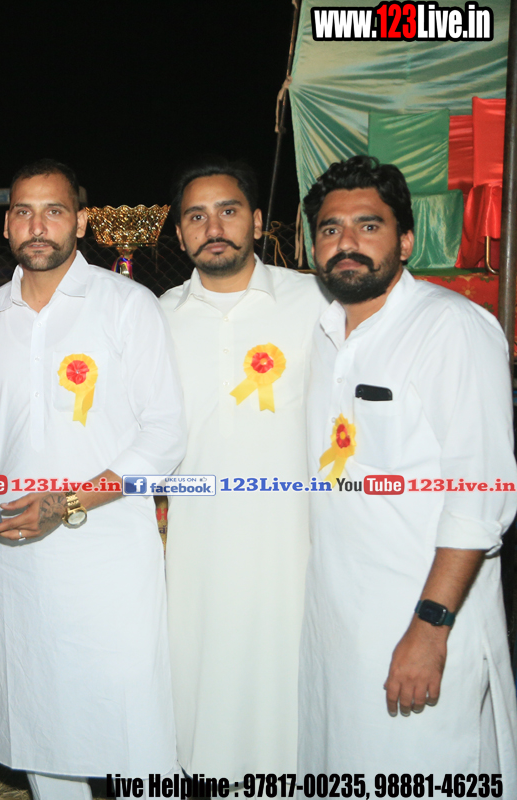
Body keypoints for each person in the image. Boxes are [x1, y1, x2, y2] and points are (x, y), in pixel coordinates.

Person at [0, 159, 187, 798]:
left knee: (129, 722)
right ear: (7, 223)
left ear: (82, 222)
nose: (38, 226)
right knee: (40, 720)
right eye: (23, 212)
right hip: (14, 553)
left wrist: (64, 503)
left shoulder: (127, 304)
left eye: (54, 211)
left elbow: (166, 434)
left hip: (106, 550)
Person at [301, 155, 517, 780]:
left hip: (423, 625)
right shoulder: (323, 334)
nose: (346, 242)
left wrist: (430, 627)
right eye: (330, 228)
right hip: (339, 628)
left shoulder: (451, 327)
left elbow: (480, 497)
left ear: (406, 241)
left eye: (369, 226)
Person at [158, 159, 328, 779]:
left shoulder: (315, 301)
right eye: (196, 216)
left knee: (290, 685)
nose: (213, 228)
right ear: (180, 233)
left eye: (227, 211)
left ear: (257, 221)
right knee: (203, 685)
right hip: (197, 542)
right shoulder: (158, 316)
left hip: (295, 538)